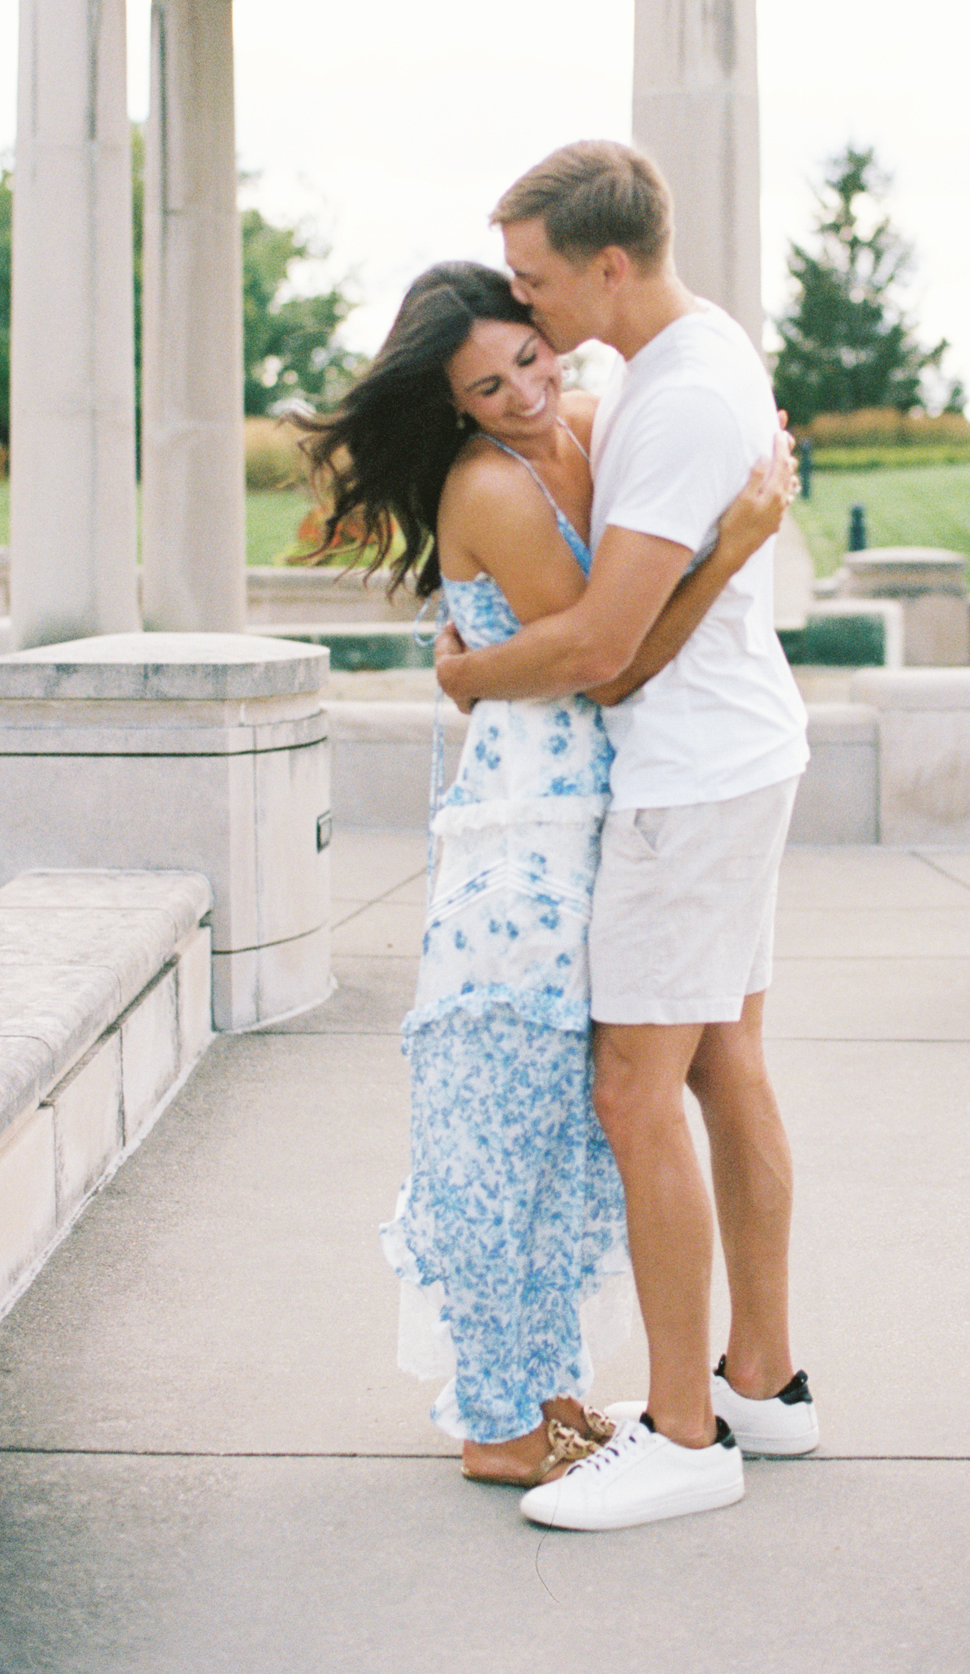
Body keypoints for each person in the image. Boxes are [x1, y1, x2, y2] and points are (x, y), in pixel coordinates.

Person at [303, 260, 793, 1491]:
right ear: (456, 408)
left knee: (567, 1132)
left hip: (593, 821)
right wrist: (732, 540)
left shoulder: (590, 421)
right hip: (522, 838)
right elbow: (604, 656)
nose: (528, 390)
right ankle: (495, 1420)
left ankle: (546, 1395)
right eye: (489, 385)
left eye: (527, 355)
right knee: (500, 1124)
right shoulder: (495, 482)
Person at [434, 141, 816, 1533]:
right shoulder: (684, 364)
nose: (526, 314)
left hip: (688, 779)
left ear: (608, 264)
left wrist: (471, 674)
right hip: (735, 754)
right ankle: (763, 1383)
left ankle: (681, 1433)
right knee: (723, 1064)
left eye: (536, 280)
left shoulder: (673, 399)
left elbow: (602, 651)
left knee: (632, 1093)